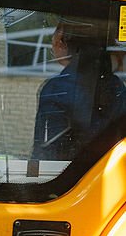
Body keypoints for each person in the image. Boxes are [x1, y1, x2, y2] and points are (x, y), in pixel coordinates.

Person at [32, 17, 126, 161]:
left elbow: (46, 154)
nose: (53, 44)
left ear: (62, 43)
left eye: (55, 37)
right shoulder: (117, 86)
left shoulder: (56, 89)